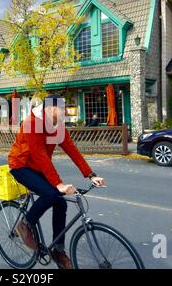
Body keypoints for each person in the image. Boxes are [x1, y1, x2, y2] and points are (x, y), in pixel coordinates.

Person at [8, 94, 106, 269]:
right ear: (48, 109)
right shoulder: (32, 124)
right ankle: (24, 225)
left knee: (61, 202)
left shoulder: (57, 126)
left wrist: (90, 174)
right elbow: (40, 157)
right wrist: (59, 184)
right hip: (21, 166)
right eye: (60, 108)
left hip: (38, 168)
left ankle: (58, 251)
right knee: (52, 193)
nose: (64, 112)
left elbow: (72, 150)